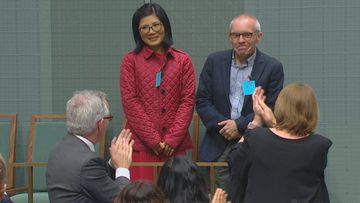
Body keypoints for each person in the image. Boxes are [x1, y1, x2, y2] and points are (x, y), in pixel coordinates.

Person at [195, 13, 284, 191]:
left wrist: (239, 125)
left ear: (259, 37)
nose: (241, 40)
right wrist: (225, 127)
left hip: (255, 142)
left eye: (247, 35)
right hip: (217, 142)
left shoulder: (272, 67)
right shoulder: (214, 61)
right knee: (217, 195)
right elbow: (202, 100)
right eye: (236, 35)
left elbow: (272, 106)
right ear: (230, 38)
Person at [120, 3, 196, 181]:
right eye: (144, 27)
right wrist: (153, 140)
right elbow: (130, 102)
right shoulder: (130, 61)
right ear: (137, 31)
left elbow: (187, 101)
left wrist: (172, 139)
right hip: (141, 145)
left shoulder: (183, 60)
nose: (151, 31)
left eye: (156, 25)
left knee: (176, 195)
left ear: (165, 26)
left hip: (174, 147)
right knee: (142, 197)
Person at [229, 83, 332, 203]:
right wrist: (273, 123)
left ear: (280, 106)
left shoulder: (256, 138)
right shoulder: (319, 146)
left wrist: (256, 122)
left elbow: (235, 161)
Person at [46, 90, 134, 203]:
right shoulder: (88, 163)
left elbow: (96, 182)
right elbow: (122, 201)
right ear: (100, 124)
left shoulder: (59, 149)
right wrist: (122, 168)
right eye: (109, 119)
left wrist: (114, 162)